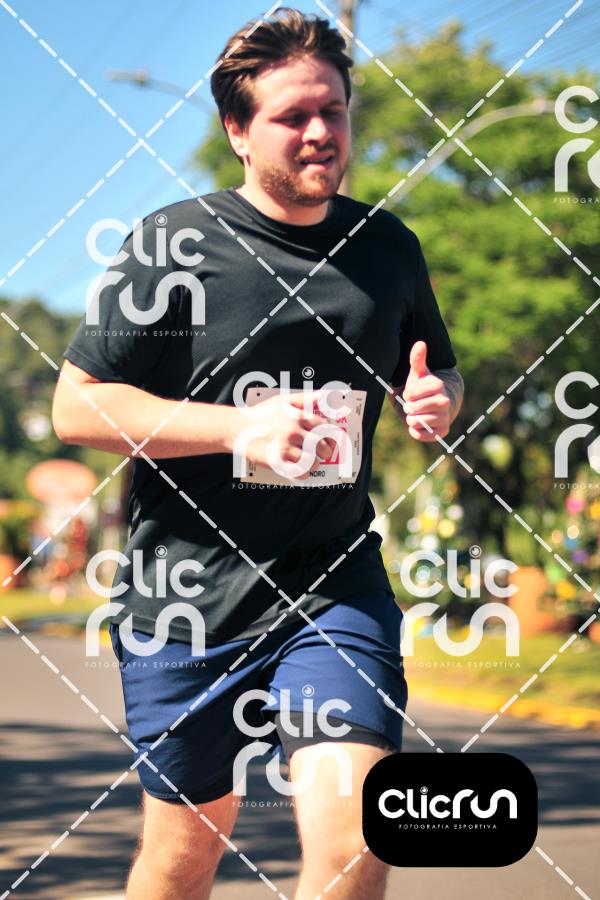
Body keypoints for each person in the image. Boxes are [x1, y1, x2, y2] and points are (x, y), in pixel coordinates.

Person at [52, 8, 463, 899]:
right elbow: (76, 406)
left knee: (355, 841)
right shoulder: (174, 247)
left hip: (333, 589)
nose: (320, 132)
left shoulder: (387, 249)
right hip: (186, 604)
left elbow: (438, 372)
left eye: (334, 110)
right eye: (292, 116)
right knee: (185, 855)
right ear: (238, 132)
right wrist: (240, 428)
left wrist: (437, 400)